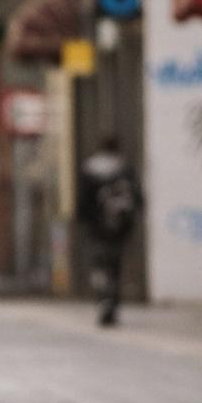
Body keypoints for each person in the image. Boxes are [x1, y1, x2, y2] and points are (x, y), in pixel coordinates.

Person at [78, 139, 144, 326]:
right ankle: (112, 303)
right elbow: (138, 199)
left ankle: (103, 298)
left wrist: (85, 223)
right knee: (115, 266)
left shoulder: (88, 171)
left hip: (97, 230)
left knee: (100, 265)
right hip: (120, 230)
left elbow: (83, 204)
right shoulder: (125, 170)